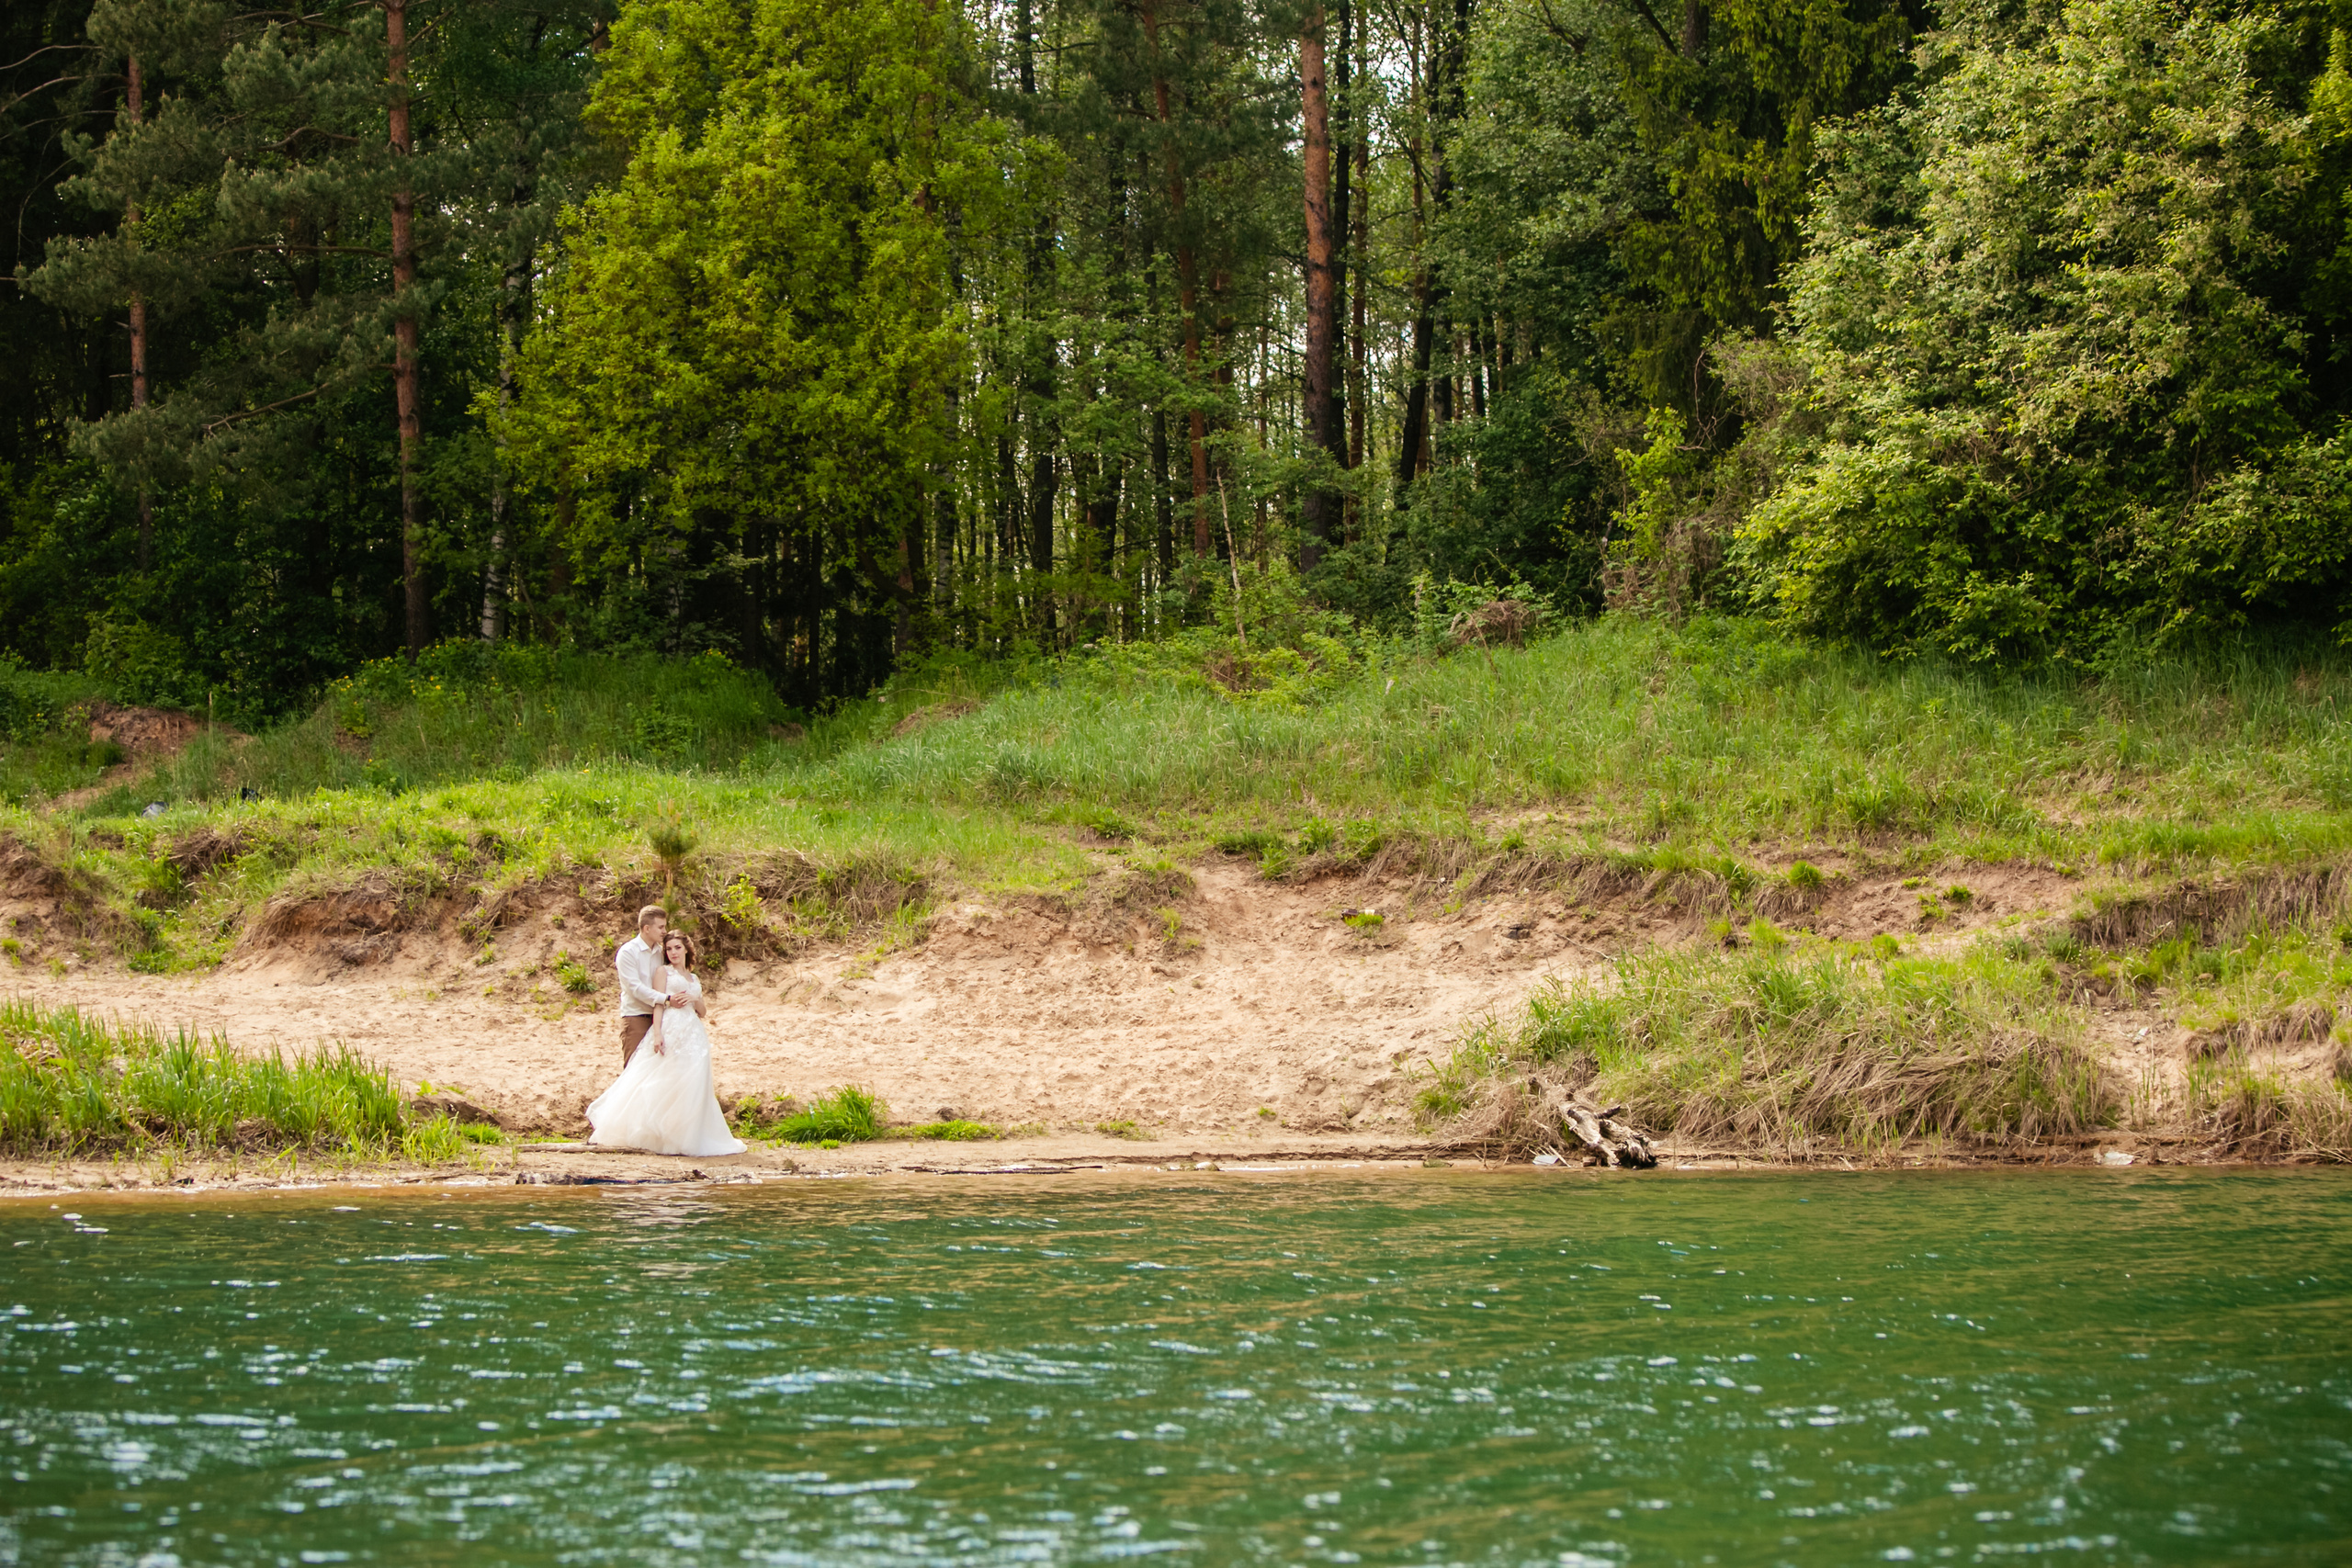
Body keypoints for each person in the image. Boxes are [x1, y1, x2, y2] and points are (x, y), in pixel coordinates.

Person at [585, 929, 746, 1157]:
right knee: (662, 1079)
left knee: (691, 1083)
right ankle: (654, 1133)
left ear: (686, 949)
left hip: (693, 1033)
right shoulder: (663, 972)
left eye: (677, 948)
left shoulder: (694, 978)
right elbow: (658, 1004)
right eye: (669, 949)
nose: (673, 952)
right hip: (671, 1027)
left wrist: (695, 998)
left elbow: (702, 1011)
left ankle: (686, 1135)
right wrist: (658, 1034)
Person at [615, 905, 690, 1066]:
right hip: (637, 1017)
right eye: (661, 927)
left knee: (658, 1070)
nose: (664, 931)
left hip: (663, 1018)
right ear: (647, 928)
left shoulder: (661, 952)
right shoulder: (628, 952)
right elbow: (635, 988)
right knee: (634, 1069)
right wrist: (667, 999)